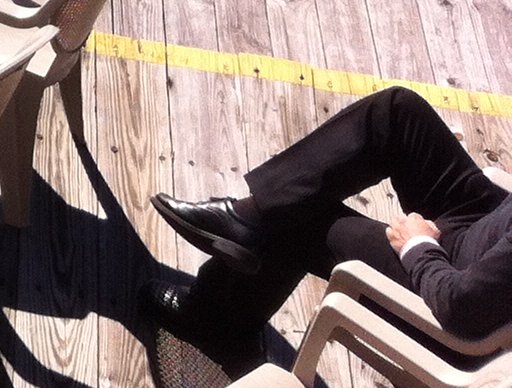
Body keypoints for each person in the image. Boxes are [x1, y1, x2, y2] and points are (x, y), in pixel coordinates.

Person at [143, 86, 512, 372]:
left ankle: (217, 322)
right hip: (489, 224)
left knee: (304, 215)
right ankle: (245, 220)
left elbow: (463, 307)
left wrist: (419, 247)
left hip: (454, 285)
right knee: (395, 113)